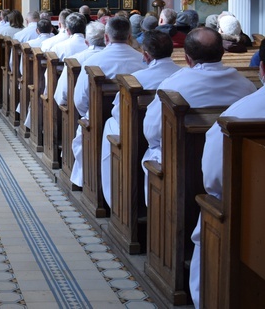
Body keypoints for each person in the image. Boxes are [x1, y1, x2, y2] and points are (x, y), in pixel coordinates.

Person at [141, 27, 257, 203]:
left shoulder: (173, 86)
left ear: (187, 58)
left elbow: (151, 131)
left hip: (180, 166)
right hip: (234, 169)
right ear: (222, 52)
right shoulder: (246, 86)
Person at [189, 40, 265, 308]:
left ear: (262, 69)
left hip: (250, 217)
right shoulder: (243, 90)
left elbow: (213, 177)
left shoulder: (241, 113)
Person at [99, 30, 180, 208]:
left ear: (146, 55)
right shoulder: (180, 75)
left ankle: (114, 197)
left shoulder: (136, 79)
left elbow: (119, 112)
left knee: (110, 125)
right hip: (178, 144)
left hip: (148, 140)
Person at [71, 17, 146, 187]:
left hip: (99, 120)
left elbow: (80, 100)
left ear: (106, 38)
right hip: (142, 123)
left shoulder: (93, 63)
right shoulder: (143, 60)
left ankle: (88, 182)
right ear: (129, 37)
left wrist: (90, 114)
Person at [54, 21, 106, 107]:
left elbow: (62, 94)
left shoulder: (75, 60)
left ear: (86, 42)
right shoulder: (118, 58)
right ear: (106, 39)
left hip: (82, 111)